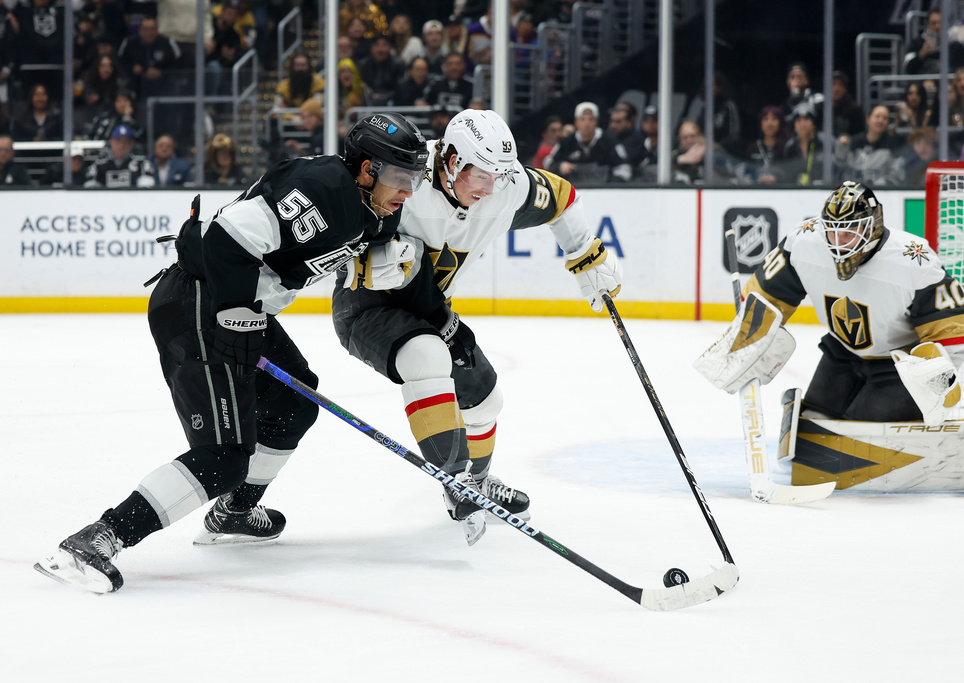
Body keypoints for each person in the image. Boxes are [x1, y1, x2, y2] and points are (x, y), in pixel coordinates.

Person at [34, 112, 430, 593]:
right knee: (224, 456)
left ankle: (234, 513)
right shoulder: (320, 188)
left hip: (240, 308)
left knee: (295, 403)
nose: (408, 190)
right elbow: (225, 239)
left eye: (415, 179)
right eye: (400, 178)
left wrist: (386, 256)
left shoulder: (373, 208)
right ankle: (97, 539)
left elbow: (369, 239)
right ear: (367, 170)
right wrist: (234, 315)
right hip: (199, 302)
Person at [212, 108, 622, 546]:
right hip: (367, 306)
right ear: (449, 161)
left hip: (430, 306)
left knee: (485, 397)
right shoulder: (404, 174)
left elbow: (560, 196)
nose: (490, 189)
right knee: (427, 356)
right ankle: (457, 480)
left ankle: (478, 483)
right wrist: (369, 261)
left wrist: (586, 254)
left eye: (499, 176)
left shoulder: (507, 186)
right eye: (480, 175)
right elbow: (343, 220)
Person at [693, 181, 964, 496]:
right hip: (840, 354)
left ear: (872, 226)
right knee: (814, 431)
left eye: (848, 232)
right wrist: (748, 342)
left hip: (896, 366)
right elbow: (765, 298)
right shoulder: (803, 243)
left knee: (861, 434)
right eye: (831, 231)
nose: (837, 242)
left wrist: (934, 376)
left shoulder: (912, 260)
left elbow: (957, 325)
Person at [546, 101, 632, 183]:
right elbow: (548, 163)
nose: (586, 124)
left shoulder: (610, 141)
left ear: (596, 122)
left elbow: (624, 167)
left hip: (603, 191)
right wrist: (560, 166)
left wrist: (612, 185)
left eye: (591, 119)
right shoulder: (566, 142)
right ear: (576, 122)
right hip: (573, 190)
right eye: (582, 119)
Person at [836, 105, 905, 187]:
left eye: (885, 118)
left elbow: (896, 174)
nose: (880, 120)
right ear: (868, 119)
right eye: (877, 116)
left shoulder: (893, 145)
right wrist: (841, 147)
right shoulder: (855, 142)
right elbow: (840, 167)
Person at [117, 17, 181, 102]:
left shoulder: (167, 43)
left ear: (157, 30)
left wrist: (163, 73)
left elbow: (179, 61)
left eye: (152, 29)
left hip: (164, 85)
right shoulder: (130, 43)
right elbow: (121, 61)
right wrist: (132, 68)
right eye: (145, 29)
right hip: (136, 85)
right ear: (139, 30)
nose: (149, 33)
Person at [84, 124, 156, 188]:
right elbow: (90, 187)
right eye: (119, 140)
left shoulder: (142, 164)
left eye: (126, 141)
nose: (122, 145)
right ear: (111, 142)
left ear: (132, 144)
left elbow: (148, 185)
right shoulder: (98, 166)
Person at [906, 8, 964, 75]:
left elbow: (960, 70)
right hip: (923, 82)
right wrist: (922, 53)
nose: (937, 26)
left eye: (941, 22)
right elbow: (908, 69)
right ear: (927, 24)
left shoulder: (955, 45)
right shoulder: (918, 43)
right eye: (933, 23)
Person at [779, 103, 824, 186]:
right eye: (798, 120)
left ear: (814, 124)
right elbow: (786, 174)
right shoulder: (790, 147)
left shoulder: (825, 143)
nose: (802, 124)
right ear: (794, 126)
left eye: (806, 119)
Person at [743, 105, 786, 185]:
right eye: (765, 119)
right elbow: (746, 173)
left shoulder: (786, 148)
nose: (769, 123)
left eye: (774, 119)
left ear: (780, 123)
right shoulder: (753, 148)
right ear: (761, 124)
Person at [358, 34, 405, 106]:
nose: (380, 49)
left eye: (384, 45)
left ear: (390, 48)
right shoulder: (363, 65)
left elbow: (401, 89)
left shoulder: (398, 64)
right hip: (367, 105)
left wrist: (383, 96)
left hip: (393, 105)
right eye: (376, 45)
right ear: (371, 48)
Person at [607, 102, 647, 170]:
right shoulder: (606, 139)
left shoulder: (638, 140)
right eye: (611, 121)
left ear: (629, 123)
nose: (613, 125)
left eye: (618, 122)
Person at [831, 71, 865, 139]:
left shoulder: (855, 110)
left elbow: (860, 134)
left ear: (845, 89)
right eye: (833, 84)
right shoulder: (821, 108)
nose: (837, 88)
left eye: (840, 85)